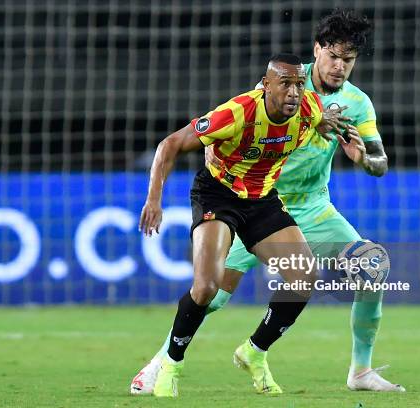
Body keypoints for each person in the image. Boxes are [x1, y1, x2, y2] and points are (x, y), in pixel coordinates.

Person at [132, 9, 406, 395]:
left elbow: (380, 162)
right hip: (255, 200)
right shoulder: (286, 84)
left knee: (372, 269)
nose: (340, 67)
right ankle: (159, 364)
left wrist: (363, 159)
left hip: (313, 208)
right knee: (209, 294)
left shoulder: (357, 104)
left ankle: (359, 371)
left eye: (349, 60)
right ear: (318, 50)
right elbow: (232, 127)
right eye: (334, 56)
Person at [138, 53, 349, 397]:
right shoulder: (237, 113)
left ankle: (255, 351)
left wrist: (324, 123)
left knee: (304, 276)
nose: (294, 92)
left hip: (262, 199)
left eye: (299, 83)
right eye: (285, 84)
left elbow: (317, 118)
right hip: (218, 195)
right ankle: (171, 364)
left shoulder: (309, 108)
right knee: (207, 288)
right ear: (266, 86)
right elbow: (170, 144)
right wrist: (153, 199)